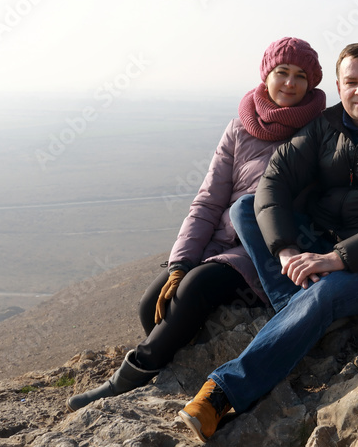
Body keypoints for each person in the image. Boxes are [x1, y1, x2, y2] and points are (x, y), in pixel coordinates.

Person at [178, 42, 358, 442]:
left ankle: (223, 393)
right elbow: (274, 182)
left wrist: (337, 259)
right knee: (245, 208)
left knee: (325, 294)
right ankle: (303, 315)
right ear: (339, 86)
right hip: (320, 245)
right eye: (352, 82)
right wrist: (285, 248)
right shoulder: (325, 125)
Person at [66, 37, 326, 412]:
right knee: (154, 302)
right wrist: (180, 263)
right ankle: (179, 370)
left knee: (198, 287)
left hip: (267, 249)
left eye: (301, 76)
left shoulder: (321, 133)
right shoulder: (240, 127)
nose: (290, 82)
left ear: (311, 84)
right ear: (266, 75)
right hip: (221, 242)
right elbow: (208, 201)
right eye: (281, 72)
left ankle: (128, 379)